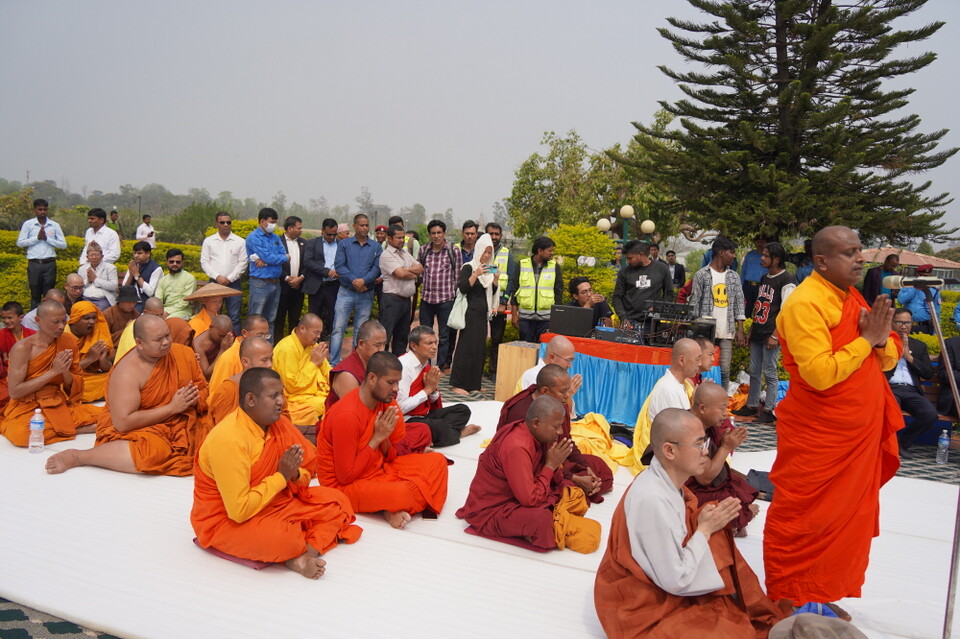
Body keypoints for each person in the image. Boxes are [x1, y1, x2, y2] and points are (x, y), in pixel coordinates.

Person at [764, 225, 900, 615]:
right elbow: (819, 374)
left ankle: (818, 593)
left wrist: (876, 337)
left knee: (840, 519)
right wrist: (866, 339)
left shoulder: (852, 296)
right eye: (849, 252)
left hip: (855, 432)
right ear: (821, 260)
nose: (860, 259)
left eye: (860, 251)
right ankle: (789, 593)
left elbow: (888, 356)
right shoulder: (806, 302)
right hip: (819, 433)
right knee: (805, 515)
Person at [594, 408, 788, 638]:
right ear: (669, 450)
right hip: (636, 606)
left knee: (715, 524)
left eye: (705, 443)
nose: (706, 453)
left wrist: (708, 524)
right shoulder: (653, 499)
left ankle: (738, 603)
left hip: (666, 578)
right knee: (729, 630)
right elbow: (675, 580)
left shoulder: (668, 482)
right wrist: (704, 529)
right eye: (698, 445)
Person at [192, 366, 362, 578]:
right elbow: (238, 510)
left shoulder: (279, 425)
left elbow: (307, 471)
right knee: (284, 539)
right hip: (225, 520)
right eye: (273, 396)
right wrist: (281, 476)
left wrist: (294, 475)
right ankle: (296, 551)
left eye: (281, 394)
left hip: (275, 502)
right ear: (251, 400)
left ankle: (304, 554)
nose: (281, 401)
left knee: (337, 502)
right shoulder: (229, 440)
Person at [46, 314, 214, 477]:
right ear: (139, 343)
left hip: (183, 417)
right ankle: (79, 456)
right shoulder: (128, 372)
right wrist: (172, 407)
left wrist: (191, 399)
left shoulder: (182, 353)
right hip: (140, 428)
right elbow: (123, 423)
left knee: (217, 431)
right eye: (158, 339)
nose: (166, 342)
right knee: (151, 454)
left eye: (167, 335)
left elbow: (202, 387)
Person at [316, 351, 449, 529]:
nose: (396, 389)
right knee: (403, 493)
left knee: (437, 461)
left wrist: (384, 438)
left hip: (378, 469)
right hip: (345, 485)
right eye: (390, 382)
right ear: (372, 378)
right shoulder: (346, 415)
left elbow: (391, 457)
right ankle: (390, 506)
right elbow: (345, 476)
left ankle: (387, 506)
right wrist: (376, 438)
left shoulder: (387, 403)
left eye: (398, 382)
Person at [457, 395, 601, 553]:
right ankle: (547, 526)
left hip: (522, 494)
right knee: (542, 519)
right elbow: (530, 499)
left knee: (575, 494)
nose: (560, 431)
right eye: (556, 427)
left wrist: (568, 475)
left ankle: (553, 520)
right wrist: (550, 465)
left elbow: (551, 476)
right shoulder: (517, 446)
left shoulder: (538, 434)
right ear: (536, 423)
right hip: (492, 510)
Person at [499, 364, 612, 500]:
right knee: (566, 491)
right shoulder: (521, 415)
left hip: (555, 461)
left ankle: (586, 487)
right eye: (563, 392)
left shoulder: (557, 405)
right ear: (545, 391)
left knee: (599, 467)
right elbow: (532, 464)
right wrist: (575, 478)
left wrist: (585, 466)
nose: (567, 396)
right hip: (530, 469)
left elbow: (566, 441)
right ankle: (582, 490)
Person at [0, 301, 93, 447]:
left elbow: (76, 385)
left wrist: (64, 371)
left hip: (56, 402)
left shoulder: (67, 341)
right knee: (21, 435)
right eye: (55, 322)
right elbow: (15, 392)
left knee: (107, 415)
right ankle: (75, 428)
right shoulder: (23, 348)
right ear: (38, 321)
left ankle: (66, 426)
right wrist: (53, 372)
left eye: (64, 321)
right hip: (27, 406)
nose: (61, 326)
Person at [733, 241, 796, 424]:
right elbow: (758, 309)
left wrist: (776, 335)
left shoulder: (787, 280)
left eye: (766, 255)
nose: (762, 258)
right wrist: (750, 330)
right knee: (754, 370)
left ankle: (769, 409)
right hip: (759, 330)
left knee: (770, 372)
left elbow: (786, 312)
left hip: (771, 333)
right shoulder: (764, 278)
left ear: (776, 259)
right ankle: (752, 405)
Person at [685, 382, 758, 537]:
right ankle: (736, 521)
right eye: (722, 408)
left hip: (698, 484)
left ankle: (734, 520)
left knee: (738, 486)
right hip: (684, 492)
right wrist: (725, 447)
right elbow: (705, 478)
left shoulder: (705, 424)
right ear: (703, 408)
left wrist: (726, 441)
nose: (726, 413)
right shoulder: (688, 430)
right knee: (731, 501)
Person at [627, 337, 701, 474]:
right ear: (682, 360)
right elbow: (683, 434)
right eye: (697, 359)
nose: (700, 364)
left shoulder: (681, 385)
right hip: (666, 455)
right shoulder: (668, 389)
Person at [398, 325, 479, 447]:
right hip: (407, 419)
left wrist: (433, 389)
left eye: (435, 342)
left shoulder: (425, 362)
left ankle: (440, 434)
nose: (434, 347)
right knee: (438, 426)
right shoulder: (404, 367)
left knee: (462, 410)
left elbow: (432, 401)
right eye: (429, 343)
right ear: (413, 345)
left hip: (423, 415)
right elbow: (400, 408)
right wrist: (427, 390)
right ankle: (459, 434)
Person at [690, 236, 747, 388]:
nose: (734, 256)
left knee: (724, 370)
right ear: (721, 253)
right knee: (701, 367)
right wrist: (694, 329)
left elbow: (739, 304)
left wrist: (740, 329)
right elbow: (694, 303)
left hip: (726, 331)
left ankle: (723, 402)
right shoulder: (702, 274)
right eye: (732, 252)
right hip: (705, 331)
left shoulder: (734, 276)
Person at [450, 233, 499, 395]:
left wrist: (495, 280)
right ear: (478, 250)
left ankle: (474, 384)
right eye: (484, 252)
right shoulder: (469, 267)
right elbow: (463, 288)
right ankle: (458, 383)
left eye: (489, 253)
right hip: (469, 313)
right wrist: (476, 274)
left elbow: (491, 292)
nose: (486, 256)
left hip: (482, 314)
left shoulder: (488, 271)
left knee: (479, 349)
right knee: (466, 348)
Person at [329, 214, 381, 365]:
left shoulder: (375, 246)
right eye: (361, 225)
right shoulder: (344, 244)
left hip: (366, 293)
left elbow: (377, 268)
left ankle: (354, 363)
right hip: (346, 292)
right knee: (338, 328)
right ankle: (333, 363)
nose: (365, 228)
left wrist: (364, 281)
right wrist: (354, 281)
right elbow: (339, 266)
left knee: (360, 332)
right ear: (354, 226)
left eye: (366, 225)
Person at [885, 308, 937, 458]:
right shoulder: (884, 341)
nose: (903, 326)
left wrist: (909, 358)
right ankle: (888, 445)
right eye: (899, 322)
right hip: (890, 388)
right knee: (890, 409)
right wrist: (895, 356)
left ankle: (903, 443)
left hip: (911, 390)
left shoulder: (919, 346)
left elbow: (928, 374)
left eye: (907, 322)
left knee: (930, 414)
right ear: (891, 322)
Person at [418, 219, 462, 372]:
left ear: (444, 233)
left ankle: (440, 366)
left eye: (439, 233)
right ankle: (426, 366)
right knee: (425, 334)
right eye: (433, 233)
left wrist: (454, 296)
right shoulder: (424, 250)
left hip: (446, 299)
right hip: (427, 299)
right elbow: (420, 273)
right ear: (429, 235)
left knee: (444, 336)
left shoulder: (453, 250)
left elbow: (457, 275)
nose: (436, 236)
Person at [273, 314, 333, 425]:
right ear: (302, 329)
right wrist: (313, 363)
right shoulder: (287, 348)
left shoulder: (313, 347)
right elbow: (292, 386)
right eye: (316, 332)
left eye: (320, 333)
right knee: (328, 404)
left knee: (338, 397)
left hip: (315, 392)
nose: (319, 336)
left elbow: (328, 371)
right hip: (294, 397)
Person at [208, 336, 276, 423]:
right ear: (245, 362)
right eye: (264, 360)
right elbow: (223, 427)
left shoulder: (273, 384)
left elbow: (283, 417)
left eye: (271, 358)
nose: (270, 364)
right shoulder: (229, 390)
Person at [379, 224, 423, 356]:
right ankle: (382, 364)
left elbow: (420, 269)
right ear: (389, 239)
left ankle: (399, 367)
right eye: (398, 238)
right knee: (386, 335)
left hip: (405, 301)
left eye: (403, 237)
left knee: (402, 337)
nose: (402, 240)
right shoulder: (386, 255)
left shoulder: (405, 253)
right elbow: (401, 274)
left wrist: (406, 270)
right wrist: (409, 271)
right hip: (391, 300)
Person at [200, 211, 248, 334]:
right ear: (217, 223)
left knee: (234, 318)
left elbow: (243, 262)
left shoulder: (240, 241)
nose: (226, 224)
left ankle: (235, 347)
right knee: (214, 316)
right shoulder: (209, 241)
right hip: (215, 283)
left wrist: (230, 278)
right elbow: (205, 262)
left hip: (234, 284)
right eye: (222, 222)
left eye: (228, 222)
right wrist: (217, 277)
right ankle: (214, 346)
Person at [325, 320, 387, 412]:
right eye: (377, 345)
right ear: (361, 344)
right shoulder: (347, 374)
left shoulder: (377, 364)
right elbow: (354, 412)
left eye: (384, 344)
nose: (382, 350)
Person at [509, 236, 563, 343]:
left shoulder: (555, 267)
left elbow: (558, 293)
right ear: (539, 251)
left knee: (543, 351)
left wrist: (556, 319)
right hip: (525, 319)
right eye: (549, 250)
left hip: (546, 320)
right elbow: (514, 291)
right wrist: (514, 315)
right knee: (526, 351)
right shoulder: (521, 265)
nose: (552, 253)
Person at [245, 208, 289, 338]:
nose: (274, 225)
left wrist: (270, 259)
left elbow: (279, 255)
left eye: (275, 222)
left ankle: (267, 350)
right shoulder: (253, 237)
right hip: (260, 283)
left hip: (275, 283)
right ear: (263, 221)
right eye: (272, 222)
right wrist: (281, 258)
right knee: (255, 320)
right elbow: (272, 257)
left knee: (270, 320)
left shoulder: (275, 237)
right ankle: (251, 348)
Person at [17, 198, 67, 310]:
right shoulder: (28, 224)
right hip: (34, 264)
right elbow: (20, 243)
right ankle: (33, 320)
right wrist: (36, 238)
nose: (42, 212)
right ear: (35, 210)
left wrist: (47, 239)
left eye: (45, 209)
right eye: (40, 209)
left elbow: (63, 245)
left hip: (49, 264)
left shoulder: (54, 225)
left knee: (49, 294)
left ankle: (48, 319)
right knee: (35, 294)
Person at [612, 240, 673, 328]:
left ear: (640, 254)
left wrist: (659, 308)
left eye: (630, 258)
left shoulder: (662, 268)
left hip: (654, 323)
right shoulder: (624, 272)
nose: (628, 262)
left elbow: (669, 293)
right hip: (631, 322)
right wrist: (623, 318)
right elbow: (617, 297)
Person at [208, 314, 271, 396]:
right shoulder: (228, 358)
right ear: (244, 333)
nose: (264, 339)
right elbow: (217, 394)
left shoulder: (266, 352)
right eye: (259, 335)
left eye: (266, 335)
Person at [302, 218, 341, 342]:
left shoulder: (341, 245)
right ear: (322, 231)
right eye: (329, 234)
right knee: (314, 317)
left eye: (334, 234)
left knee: (333, 317)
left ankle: (327, 343)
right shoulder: (312, 243)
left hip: (334, 286)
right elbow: (307, 261)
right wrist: (326, 271)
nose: (332, 237)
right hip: (317, 285)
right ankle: (311, 344)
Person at [67, 301, 114, 403]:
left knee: (114, 378)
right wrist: (90, 359)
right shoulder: (64, 336)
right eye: (87, 318)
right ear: (75, 319)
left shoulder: (95, 334)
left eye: (94, 318)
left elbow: (108, 369)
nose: (92, 322)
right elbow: (65, 371)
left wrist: (101, 359)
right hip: (69, 379)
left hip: (90, 378)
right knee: (64, 386)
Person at [485, 222, 513, 379]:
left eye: (497, 234)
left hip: (499, 303)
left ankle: (493, 371)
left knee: (496, 339)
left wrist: (505, 300)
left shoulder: (507, 254)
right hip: (482, 301)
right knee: (478, 336)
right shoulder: (481, 251)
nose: (494, 237)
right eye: (491, 234)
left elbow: (511, 281)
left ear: (501, 236)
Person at [275, 216, 307, 343]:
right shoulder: (277, 242)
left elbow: (308, 263)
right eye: (299, 228)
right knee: (279, 319)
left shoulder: (304, 243)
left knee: (295, 319)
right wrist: (287, 278)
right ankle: (277, 347)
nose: (301, 230)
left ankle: (294, 346)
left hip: (298, 288)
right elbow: (275, 263)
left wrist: (300, 278)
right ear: (290, 228)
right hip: (282, 287)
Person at [896, 264, 940, 335]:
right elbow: (901, 300)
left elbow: (936, 312)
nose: (923, 278)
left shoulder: (934, 290)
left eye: (926, 276)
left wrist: (936, 332)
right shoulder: (908, 286)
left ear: (930, 275)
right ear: (917, 275)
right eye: (922, 275)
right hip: (907, 325)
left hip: (924, 326)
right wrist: (914, 286)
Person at [122, 241, 164, 313]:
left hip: (145, 302)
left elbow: (150, 292)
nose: (136, 255)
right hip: (130, 300)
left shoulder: (156, 269)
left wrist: (136, 275)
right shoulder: (133, 265)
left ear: (148, 254)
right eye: (135, 253)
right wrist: (132, 273)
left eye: (139, 253)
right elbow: (124, 288)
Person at [155, 248, 197, 320]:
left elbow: (185, 301)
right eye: (171, 262)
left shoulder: (189, 278)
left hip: (183, 310)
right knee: (146, 318)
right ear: (167, 262)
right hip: (164, 310)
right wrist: (157, 311)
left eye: (178, 262)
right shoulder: (163, 280)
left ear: (182, 263)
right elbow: (158, 299)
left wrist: (168, 312)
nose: (175, 264)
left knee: (169, 320)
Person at [193, 315, 236, 380]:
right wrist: (222, 350)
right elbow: (206, 373)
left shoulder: (228, 337)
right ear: (211, 327)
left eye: (225, 336)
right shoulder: (198, 344)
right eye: (221, 336)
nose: (223, 340)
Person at [76, 244, 118, 310]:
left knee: (98, 311)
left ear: (102, 256)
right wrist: (88, 281)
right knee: (81, 309)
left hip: (103, 299)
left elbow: (114, 286)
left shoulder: (110, 268)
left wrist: (95, 280)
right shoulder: (82, 269)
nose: (94, 257)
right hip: (85, 298)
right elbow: (78, 285)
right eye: (91, 255)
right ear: (87, 257)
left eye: (97, 255)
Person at [0, 302, 36, 366]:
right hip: (8, 373)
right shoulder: (1, 335)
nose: (6, 321)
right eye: (4, 318)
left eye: (10, 318)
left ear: (21, 317)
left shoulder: (32, 334)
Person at [740, 234, 769, 312]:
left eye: (762, 242)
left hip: (761, 286)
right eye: (758, 242)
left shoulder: (768, 257)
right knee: (746, 309)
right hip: (748, 286)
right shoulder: (750, 255)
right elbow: (743, 272)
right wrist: (741, 287)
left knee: (759, 309)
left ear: (766, 243)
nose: (760, 244)